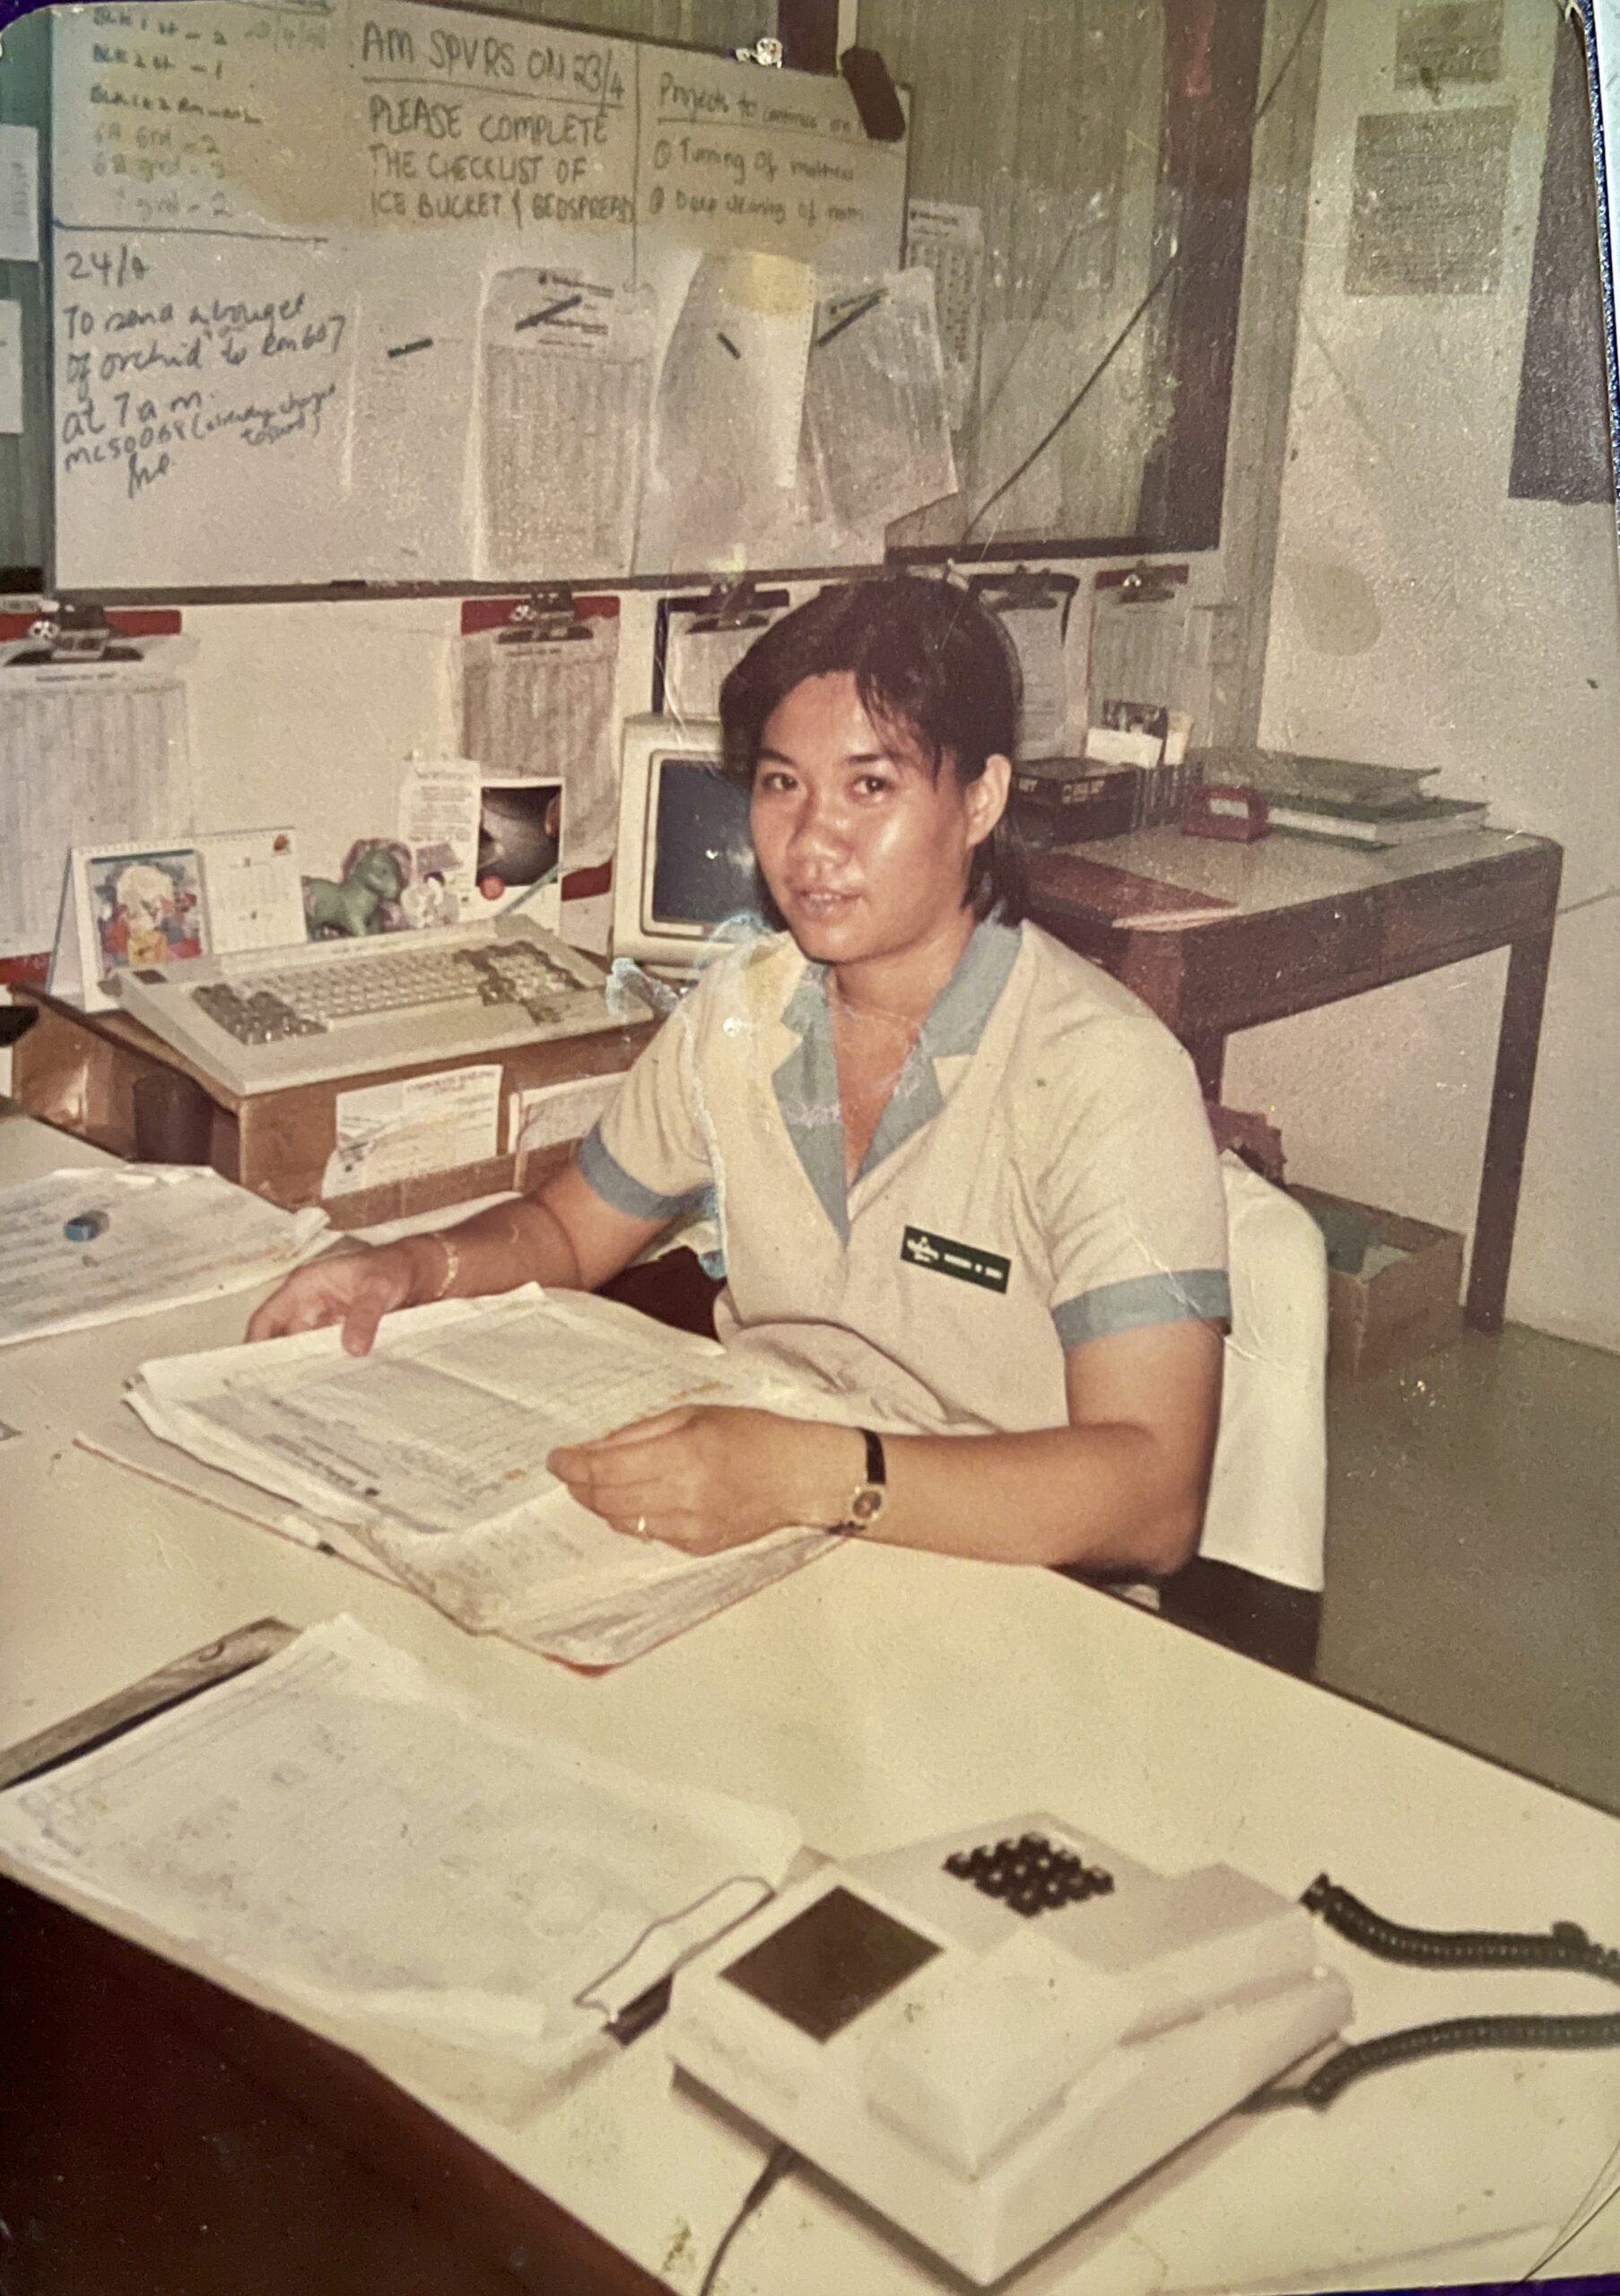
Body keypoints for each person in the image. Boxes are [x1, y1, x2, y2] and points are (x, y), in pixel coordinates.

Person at [249, 578, 1247, 1579]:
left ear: (980, 799)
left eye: (870, 787)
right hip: (775, 1533)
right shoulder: (742, 1011)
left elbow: (1154, 1501)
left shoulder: (1103, 1069)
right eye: (781, 784)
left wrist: (803, 1474)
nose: (811, 841)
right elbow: (565, 1232)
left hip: (1001, 1575)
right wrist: (408, 1268)